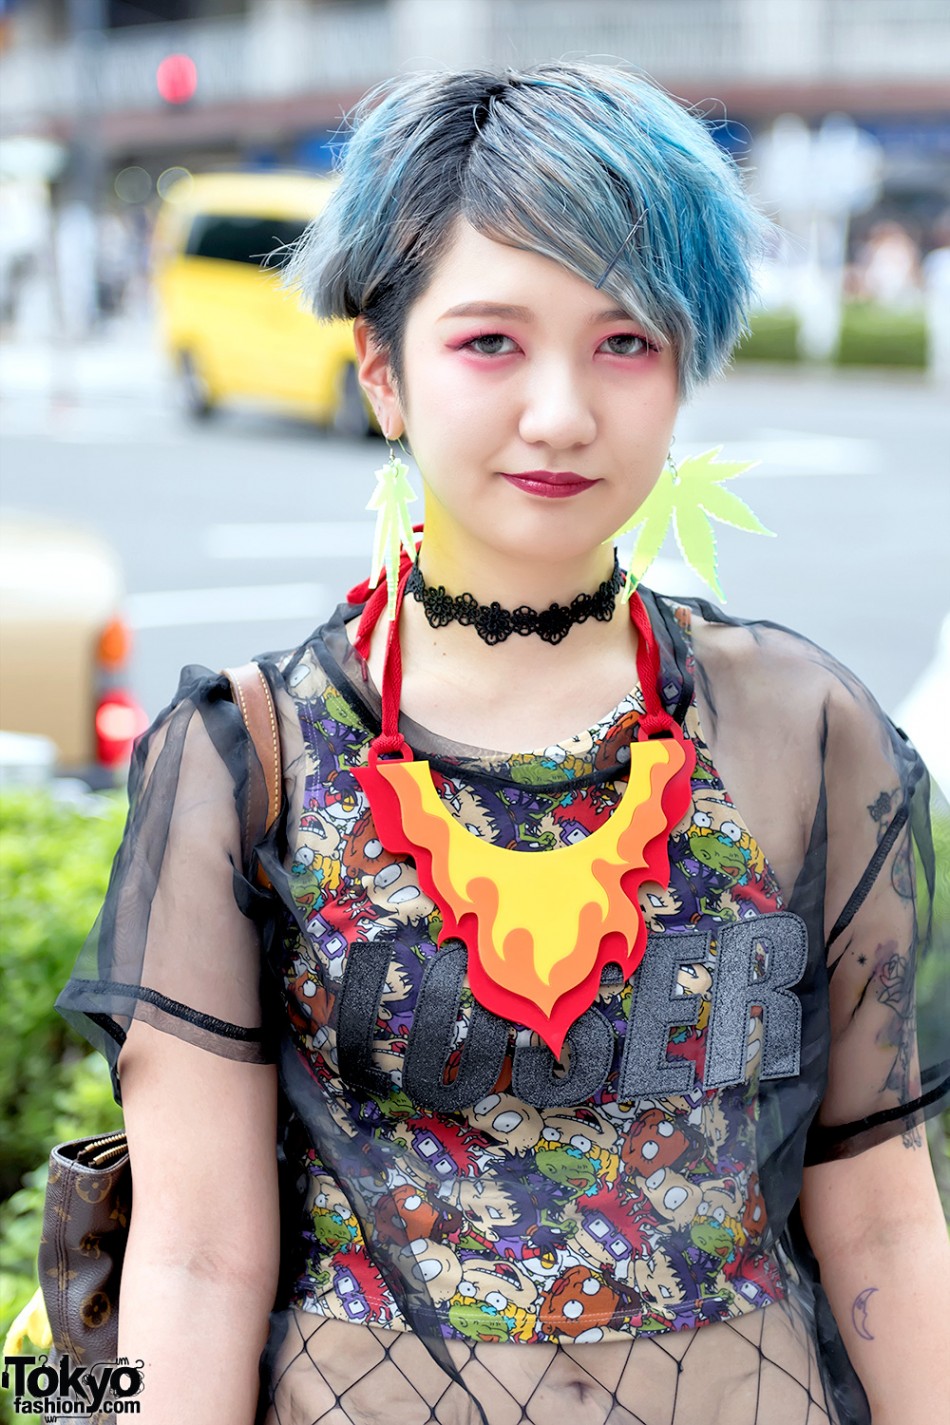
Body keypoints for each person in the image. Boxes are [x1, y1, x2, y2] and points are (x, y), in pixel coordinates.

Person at [57, 64, 949, 1425]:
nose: (559, 411)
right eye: (488, 342)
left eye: (623, 342)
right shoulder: (249, 757)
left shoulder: (802, 731)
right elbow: (190, 1254)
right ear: (381, 367)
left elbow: (881, 1218)